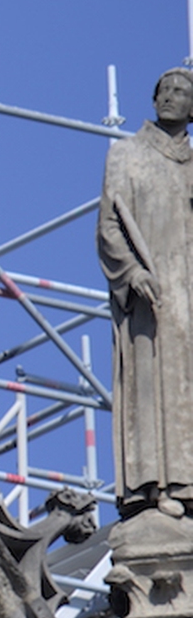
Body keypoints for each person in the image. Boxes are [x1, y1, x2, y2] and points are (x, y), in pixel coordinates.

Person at [99, 68, 193, 517]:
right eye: (166, 91)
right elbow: (109, 225)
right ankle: (156, 485)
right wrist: (131, 271)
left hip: (188, 290)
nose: (171, 98)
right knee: (153, 381)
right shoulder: (127, 155)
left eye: (182, 93)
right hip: (150, 294)